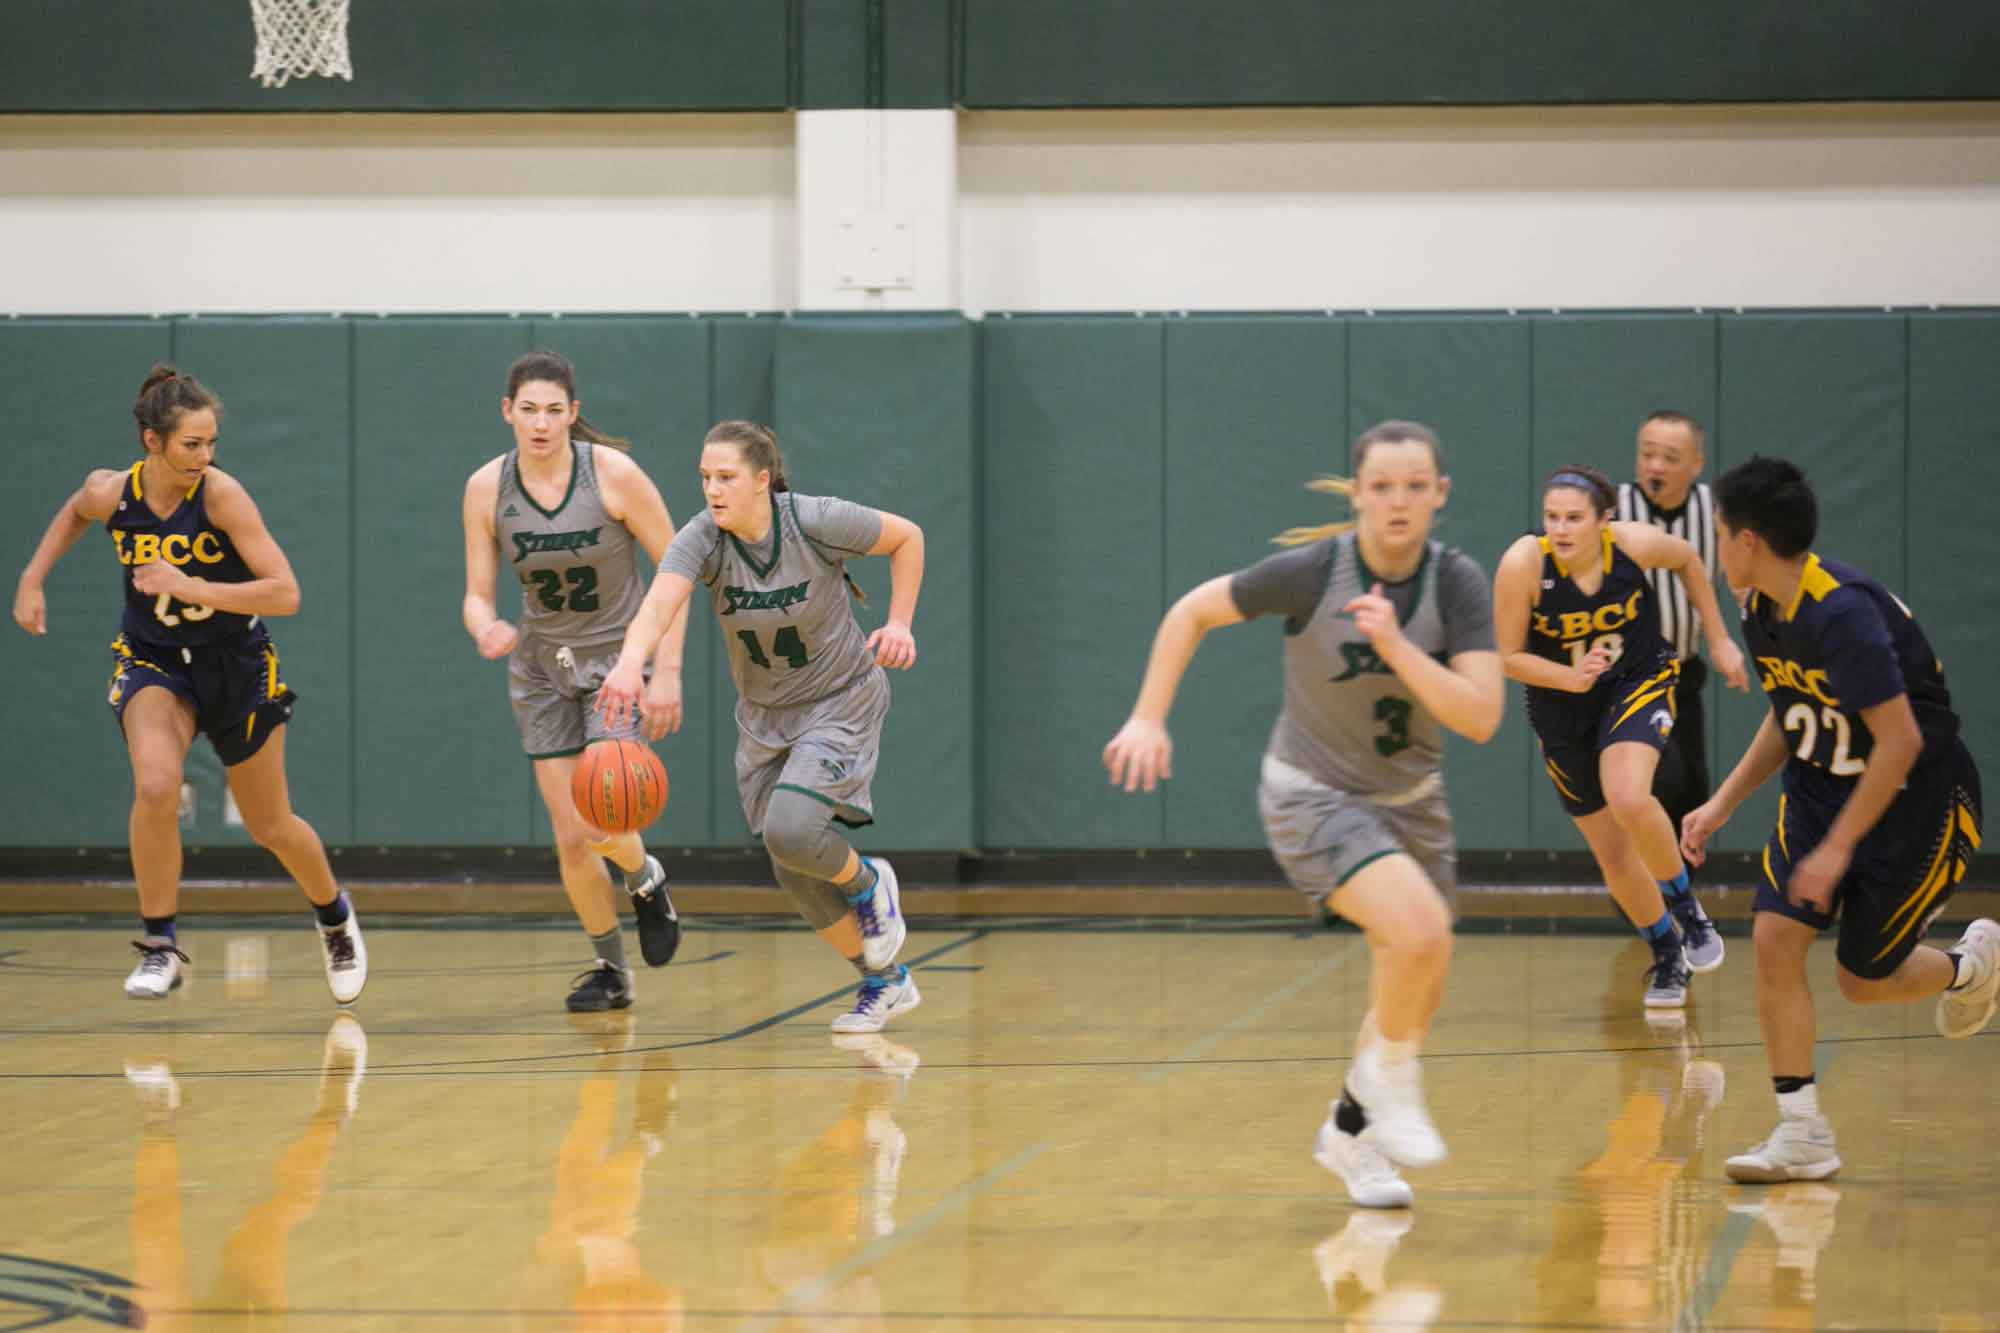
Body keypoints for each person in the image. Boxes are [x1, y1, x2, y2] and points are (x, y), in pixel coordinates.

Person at [1102, 420, 1504, 1209]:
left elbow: (1481, 715)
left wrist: (1398, 649)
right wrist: (1148, 716)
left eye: (1415, 486)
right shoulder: (1314, 571)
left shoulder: (1456, 583)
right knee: (1420, 931)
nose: (1398, 501)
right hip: (1312, 795)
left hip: (1414, 804)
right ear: (1356, 493)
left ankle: (1350, 1133)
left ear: (1439, 495)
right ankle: (1394, 1088)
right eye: (1382, 486)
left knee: (1412, 975)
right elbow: (1191, 611)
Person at [1681, 456, 1993, 1183]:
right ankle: (1802, 1133)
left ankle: (1972, 967)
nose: (1717, 546)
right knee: (1773, 937)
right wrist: (1723, 801)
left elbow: (1902, 740)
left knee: (1863, 978)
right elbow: (1793, 711)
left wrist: (1839, 847)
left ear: (1749, 540)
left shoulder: (1841, 612)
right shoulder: (1760, 605)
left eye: (1721, 532)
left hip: (1914, 800)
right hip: (1822, 789)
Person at [12, 364, 365, 1004]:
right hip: (155, 662)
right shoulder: (111, 493)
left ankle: (334, 914)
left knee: (271, 824)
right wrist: (32, 579)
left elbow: (286, 593)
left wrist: (193, 586)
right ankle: (159, 946)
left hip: (236, 665)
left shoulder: (222, 496)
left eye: (210, 443)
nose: (205, 456)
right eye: (191, 444)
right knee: (155, 783)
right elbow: (73, 511)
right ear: (153, 442)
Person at [597, 420, 926, 1033]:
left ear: (762, 481)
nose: (712, 490)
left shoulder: (814, 520)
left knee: (794, 829)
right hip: (765, 718)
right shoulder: (703, 539)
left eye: (725, 478)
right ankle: (884, 981)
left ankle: (869, 880)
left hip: (839, 699)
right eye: (704, 478)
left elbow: (907, 537)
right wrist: (627, 665)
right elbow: (661, 602)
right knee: (789, 861)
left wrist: (900, 623)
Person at [461, 351, 688, 1014]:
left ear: (573, 414)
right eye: (528, 409)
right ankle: (611, 969)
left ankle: (646, 877)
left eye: (554, 410)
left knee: (598, 820)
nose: (540, 422)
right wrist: (486, 625)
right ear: (507, 411)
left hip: (619, 661)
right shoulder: (485, 488)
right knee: (569, 834)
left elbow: (678, 571)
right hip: (542, 667)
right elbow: (476, 594)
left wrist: (666, 670)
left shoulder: (613, 476)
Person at [1494, 464, 1746, 1010]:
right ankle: (1667, 954)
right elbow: (1509, 657)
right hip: (1562, 705)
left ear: (1604, 520)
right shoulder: (1523, 564)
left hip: (1637, 678)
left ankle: (1688, 912)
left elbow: (1687, 560)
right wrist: (1569, 676)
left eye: (1574, 518)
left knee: (1629, 794)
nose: (1561, 529)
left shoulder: (1631, 545)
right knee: (1610, 852)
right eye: (1552, 517)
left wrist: (1720, 638)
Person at [1618, 410, 1722, 838]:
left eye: (1669, 457)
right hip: (1627, 678)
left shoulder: (1714, 511)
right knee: (1658, 782)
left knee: (1693, 795)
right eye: (1647, 454)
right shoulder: (1611, 508)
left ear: (1696, 464)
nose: (1655, 466)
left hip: (1685, 674)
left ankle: (1678, 900)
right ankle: (1642, 901)